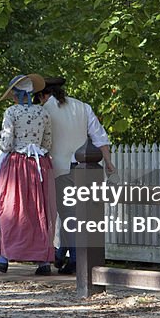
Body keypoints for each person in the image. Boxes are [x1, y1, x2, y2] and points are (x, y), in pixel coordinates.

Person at [38, 76, 113, 274]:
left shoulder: (44, 110)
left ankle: (69, 258)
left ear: (43, 95)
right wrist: (108, 162)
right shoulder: (82, 107)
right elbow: (99, 137)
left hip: (57, 167)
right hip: (84, 168)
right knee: (78, 212)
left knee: (61, 214)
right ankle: (62, 252)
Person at [0, 73, 56, 275]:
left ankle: (4, 257)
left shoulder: (12, 112)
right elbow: (48, 143)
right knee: (38, 211)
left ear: (17, 94)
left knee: (11, 208)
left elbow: (6, 144)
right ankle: (43, 261)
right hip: (39, 164)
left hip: (17, 163)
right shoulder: (43, 113)